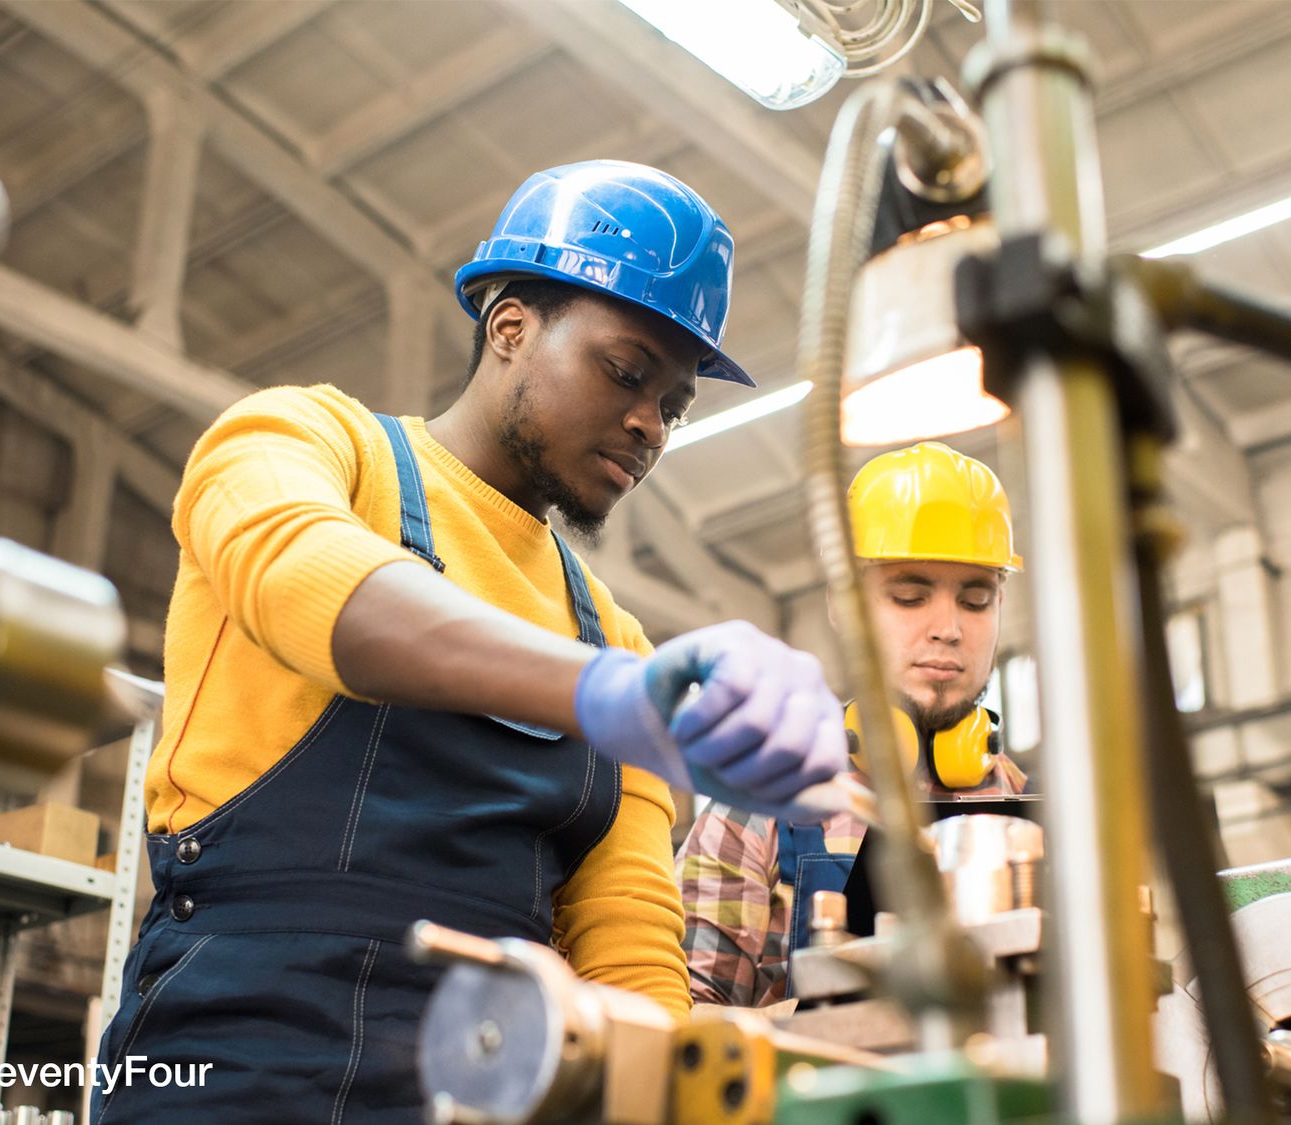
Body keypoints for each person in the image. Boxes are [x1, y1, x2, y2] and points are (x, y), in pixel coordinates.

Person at [89, 161, 849, 1122]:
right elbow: (311, 581)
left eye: (673, 404)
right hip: (233, 1062)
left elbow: (627, 949)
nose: (648, 425)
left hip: (487, 1087)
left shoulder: (614, 635)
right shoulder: (310, 443)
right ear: (509, 326)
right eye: (626, 372)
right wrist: (601, 693)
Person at [678, 442, 1030, 1008]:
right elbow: (685, 1024)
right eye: (910, 597)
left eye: (975, 600)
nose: (948, 628)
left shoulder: (1033, 816)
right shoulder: (757, 807)